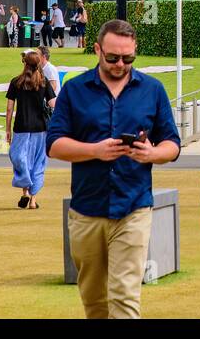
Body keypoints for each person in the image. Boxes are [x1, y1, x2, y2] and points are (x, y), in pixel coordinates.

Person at [49, 19, 181, 318]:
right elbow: (54, 144)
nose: (120, 64)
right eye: (112, 58)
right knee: (94, 301)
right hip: (86, 209)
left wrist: (151, 154)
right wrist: (95, 150)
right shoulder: (74, 90)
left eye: (128, 58)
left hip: (133, 207)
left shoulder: (152, 90)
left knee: (124, 295)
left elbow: (172, 144)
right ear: (97, 50)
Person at [6, 48, 56, 209]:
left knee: (20, 158)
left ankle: (25, 192)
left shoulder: (16, 82)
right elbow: (52, 104)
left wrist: (7, 129)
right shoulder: (43, 82)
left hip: (21, 126)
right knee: (38, 162)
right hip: (40, 128)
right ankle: (33, 199)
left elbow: (9, 108)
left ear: (25, 63)